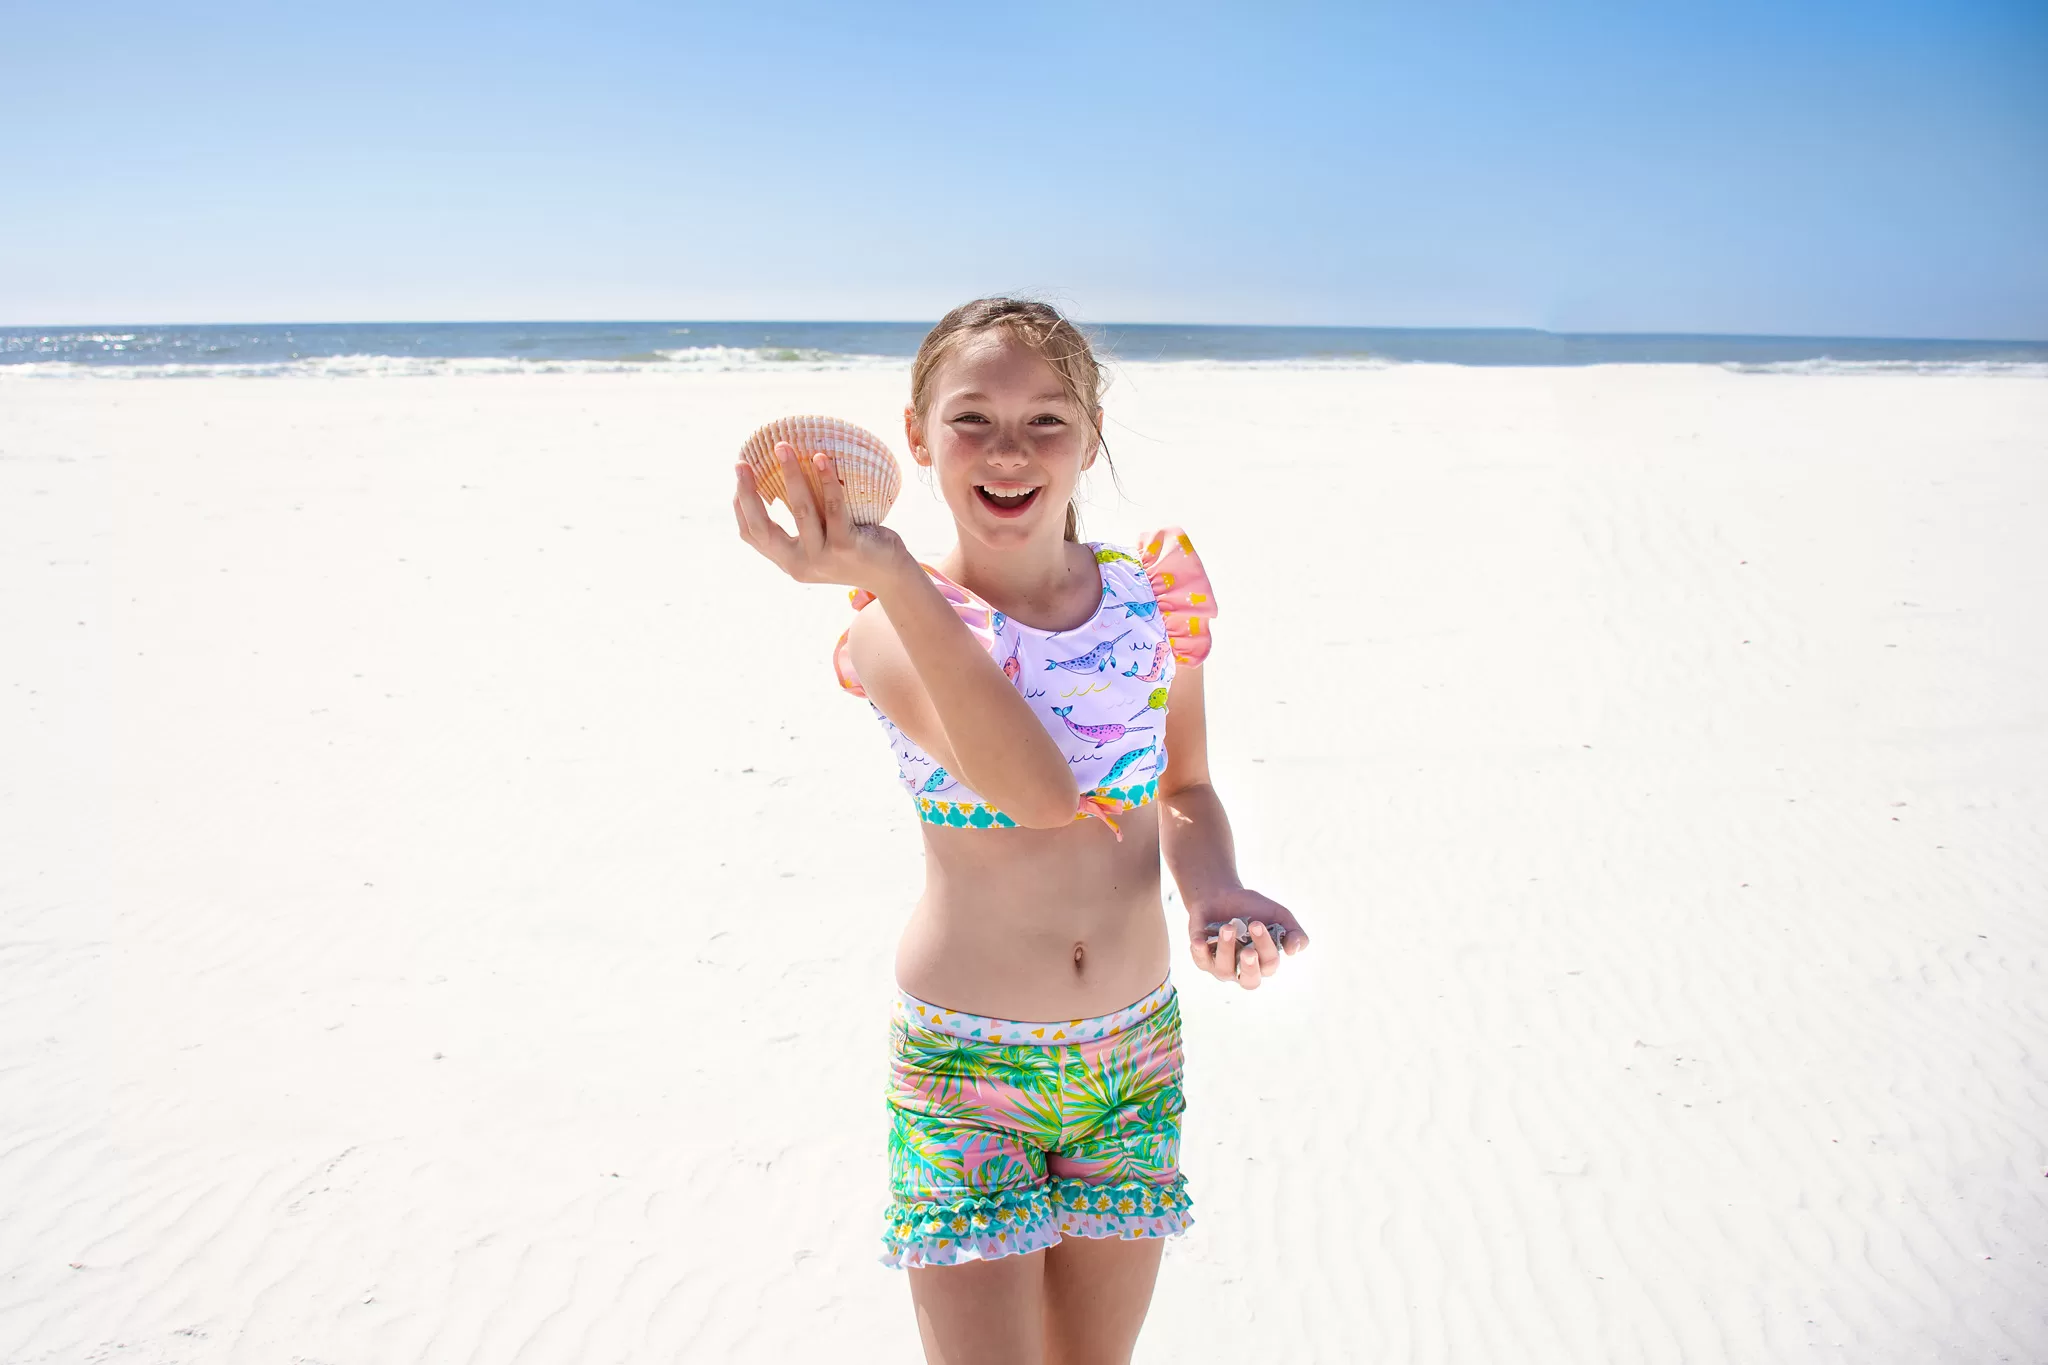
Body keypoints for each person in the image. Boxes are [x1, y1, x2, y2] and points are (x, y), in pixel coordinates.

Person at [731, 297, 1310, 1364]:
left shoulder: (1151, 602)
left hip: (1130, 1058)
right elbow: (1038, 793)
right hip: (966, 1073)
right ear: (916, 439)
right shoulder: (888, 629)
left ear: (1088, 437)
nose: (1009, 450)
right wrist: (892, 572)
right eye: (971, 421)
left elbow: (1181, 785)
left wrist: (1215, 888)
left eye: (1046, 420)